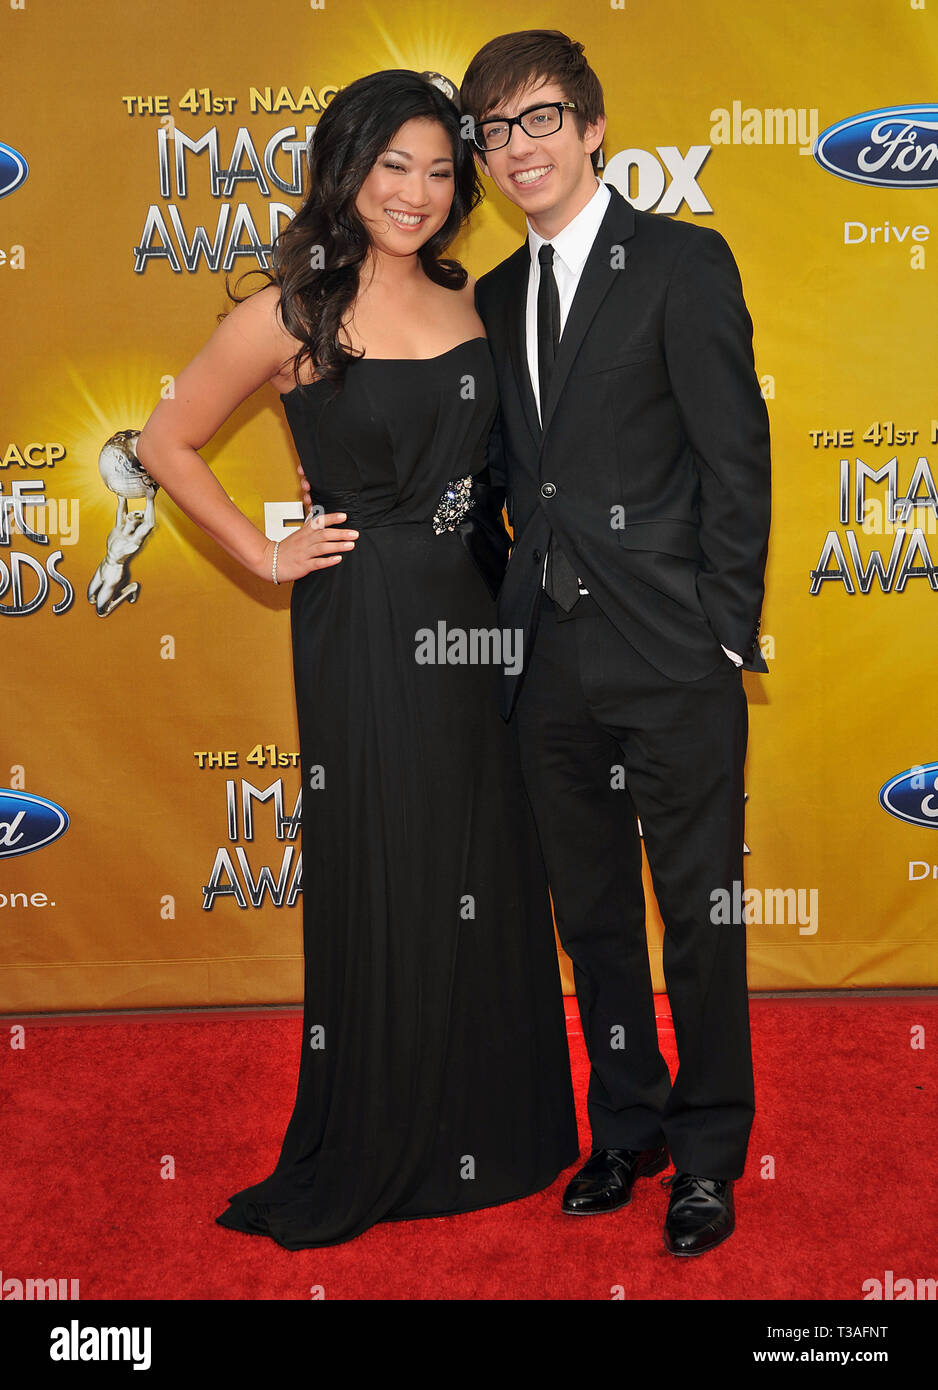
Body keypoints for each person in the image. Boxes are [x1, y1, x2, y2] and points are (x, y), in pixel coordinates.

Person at [134, 68, 578, 1250]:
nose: (418, 193)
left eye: (440, 171)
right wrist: (262, 552)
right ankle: (388, 1136)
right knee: (392, 858)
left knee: (487, 854)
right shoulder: (293, 312)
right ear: (348, 169)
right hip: (368, 616)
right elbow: (165, 439)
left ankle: (504, 1125)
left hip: (480, 610)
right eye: (394, 167)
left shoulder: (472, 298)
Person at [459, 30, 772, 1255]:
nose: (515, 148)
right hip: (546, 663)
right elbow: (506, 481)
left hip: (671, 656)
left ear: (591, 129)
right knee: (589, 916)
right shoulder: (491, 296)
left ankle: (706, 1154)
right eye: (493, 131)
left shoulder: (682, 264)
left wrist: (719, 630)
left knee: (697, 913)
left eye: (536, 120)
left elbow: (732, 462)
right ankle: (626, 1124)